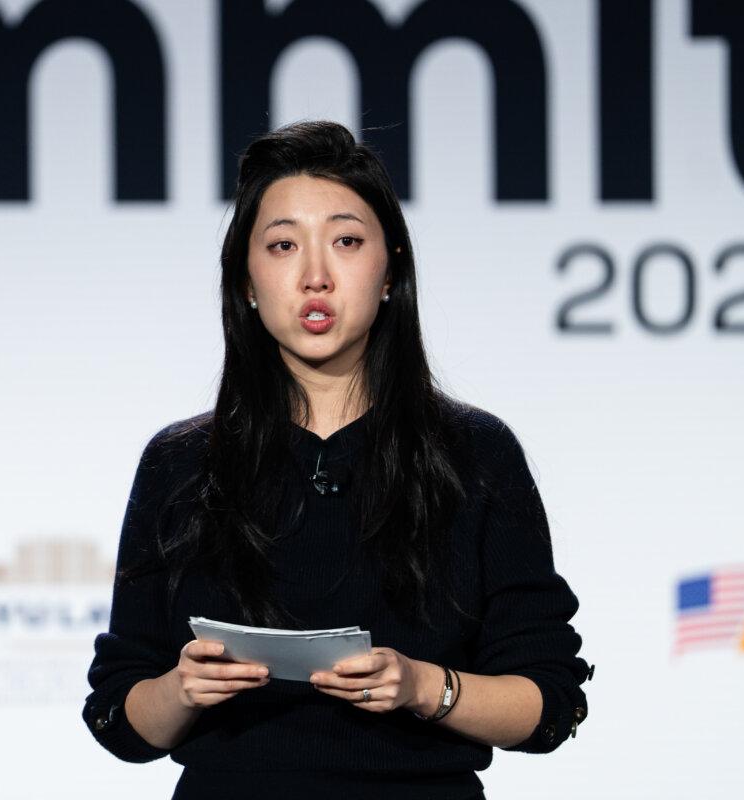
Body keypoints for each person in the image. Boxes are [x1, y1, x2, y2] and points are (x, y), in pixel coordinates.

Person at [82, 120, 593, 799]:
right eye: (283, 245)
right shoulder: (180, 464)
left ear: (391, 271)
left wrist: (423, 686)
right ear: (246, 281)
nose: (315, 277)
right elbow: (119, 718)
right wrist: (181, 689)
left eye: (346, 241)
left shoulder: (474, 453)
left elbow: (550, 703)